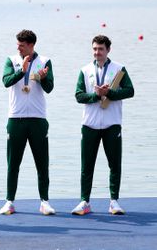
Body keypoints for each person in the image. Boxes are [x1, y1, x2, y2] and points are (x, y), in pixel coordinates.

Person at [71, 35, 134, 216]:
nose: (97, 52)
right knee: (87, 165)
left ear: (108, 50)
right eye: (95, 49)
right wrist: (97, 96)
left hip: (112, 124)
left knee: (114, 164)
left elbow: (130, 91)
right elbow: (78, 95)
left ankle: (114, 202)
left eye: (100, 49)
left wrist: (110, 93)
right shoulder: (85, 70)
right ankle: (85, 201)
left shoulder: (119, 69)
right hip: (89, 124)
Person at [0, 30, 56, 216]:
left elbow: (49, 89)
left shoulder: (45, 61)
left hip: (38, 119)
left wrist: (43, 77)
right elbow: (6, 82)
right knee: (13, 163)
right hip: (15, 119)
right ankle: (9, 201)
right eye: (18, 44)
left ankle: (44, 202)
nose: (18, 47)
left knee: (42, 163)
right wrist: (21, 71)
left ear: (31, 46)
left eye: (22, 45)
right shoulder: (11, 60)